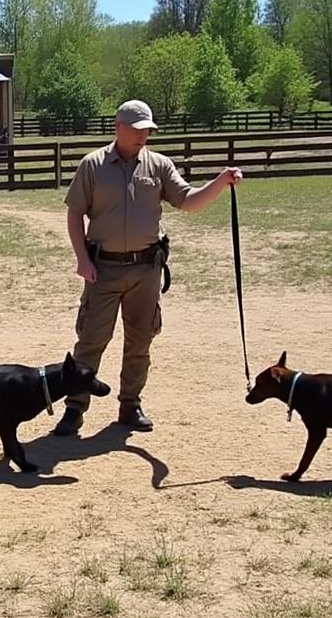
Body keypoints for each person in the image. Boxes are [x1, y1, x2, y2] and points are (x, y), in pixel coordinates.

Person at [52, 99, 243, 437]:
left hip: (146, 270)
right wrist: (81, 258)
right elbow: (74, 213)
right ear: (119, 127)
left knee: (141, 339)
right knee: (91, 339)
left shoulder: (158, 166)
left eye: (148, 131)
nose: (144, 136)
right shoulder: (93, 165)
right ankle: (74, 408)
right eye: (138, 130)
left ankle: (130, 404)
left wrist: (220, 181)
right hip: (103, 268)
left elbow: (188, 201)